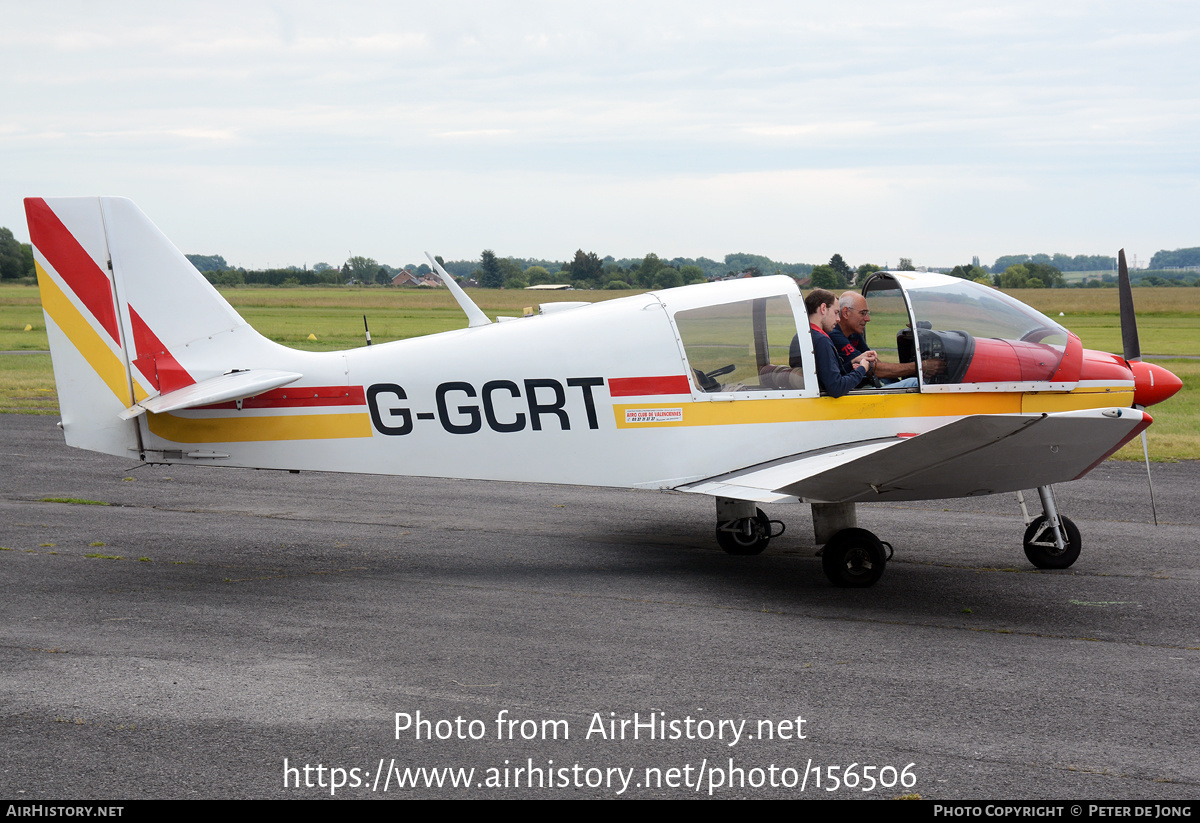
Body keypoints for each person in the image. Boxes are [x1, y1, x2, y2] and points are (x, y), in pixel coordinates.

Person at [830, 291, 920, 388]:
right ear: (846, 313)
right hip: (848, 390)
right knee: (915, 383)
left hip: (857, 384)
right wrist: (920, 367)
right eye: (863, 313)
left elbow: (874, 362)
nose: (868, 319)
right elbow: (873, 368)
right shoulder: (834, 335)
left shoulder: (854, 333)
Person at [805, 289, 876, 398]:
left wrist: (853, 361)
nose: (838, 319)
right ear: (823, 309)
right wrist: (862, 369)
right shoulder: (822, 341)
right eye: (836, 312)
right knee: (912, 383)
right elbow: (836, 388)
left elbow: (827, 375)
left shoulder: (804, 337)